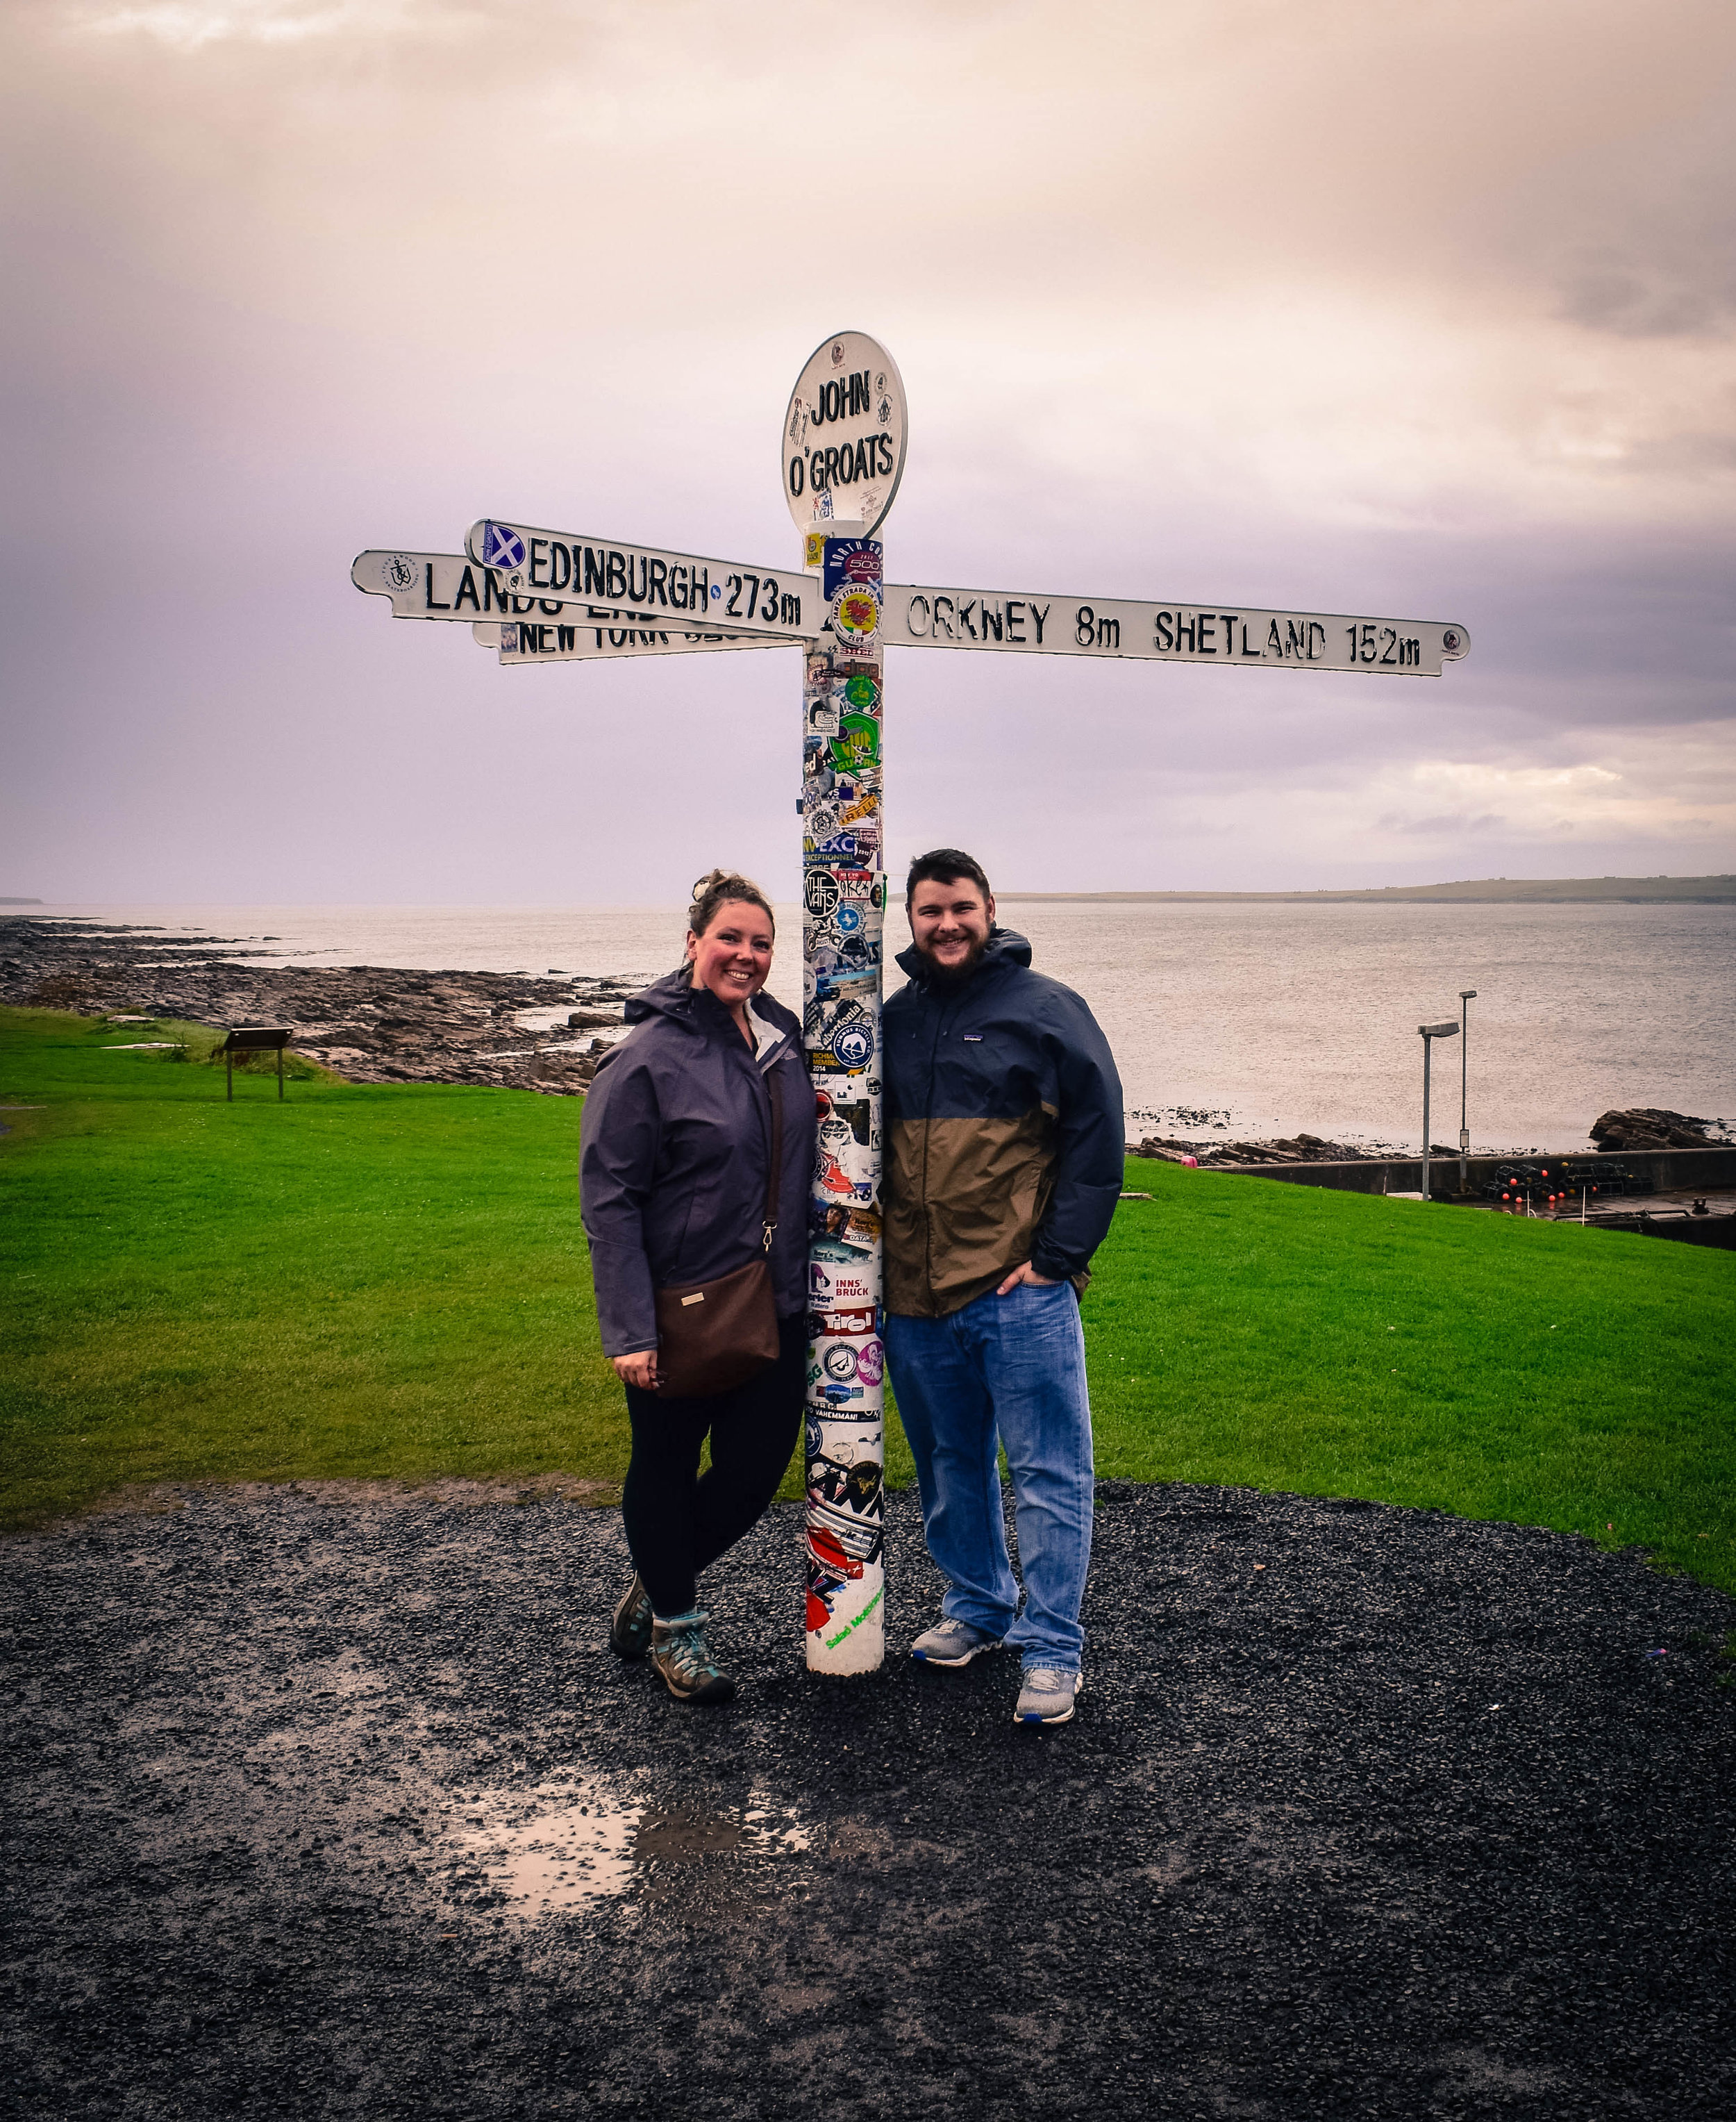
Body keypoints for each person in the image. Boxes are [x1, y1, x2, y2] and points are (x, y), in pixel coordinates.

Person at [880, 849, 1124, 1725]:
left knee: (1049, 1471)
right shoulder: (892, 1020)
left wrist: (1057, 1258)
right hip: (914, 1296)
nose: (946, 924)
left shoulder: (1047, 1010)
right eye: (929, 911)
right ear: (907, 919)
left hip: (1017, 1292)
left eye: (961, 908)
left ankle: (1053, 1647)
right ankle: (978, 1606)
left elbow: (1098, 1140)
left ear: (991, 908)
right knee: (950, 1468)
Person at [579, 871, 815, 1705]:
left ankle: (656, 1575)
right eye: (730, 939)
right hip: (679, 1307)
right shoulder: (645, 1057)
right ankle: (678, 1629)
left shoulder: (783, 1040)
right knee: (667, 1465)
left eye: (760, 943)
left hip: (778, 1302)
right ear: (692, 943)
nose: (746, 955)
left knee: (754, 1474)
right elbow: (609, 1199)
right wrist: (629, 1328)